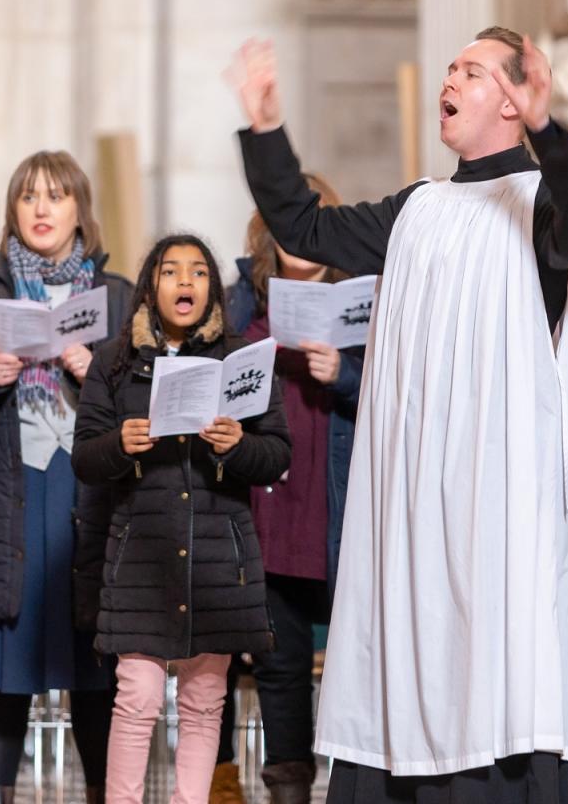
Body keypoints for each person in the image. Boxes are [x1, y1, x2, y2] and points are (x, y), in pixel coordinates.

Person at [231, 27, 568, 800]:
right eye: (450, 67)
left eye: (473, 70)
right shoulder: (417, 208)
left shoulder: (540, 205)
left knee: (495, 649)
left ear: (514, 100)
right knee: (416, 637)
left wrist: (552, 133)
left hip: (505, 491)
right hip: (416, 491)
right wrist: (266, 131)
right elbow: (305, 227)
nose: (449, 79)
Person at [0, 151, 130, 804]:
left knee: (94, 663)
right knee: (3, 666)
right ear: (13, 211)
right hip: (7, 494)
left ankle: (101, 793)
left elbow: (148, 391)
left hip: (86, 489)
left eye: (56, 196)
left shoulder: (116, 295)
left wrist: (93, 369)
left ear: (79, 211)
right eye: (29, 197)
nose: (42, 209)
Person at [70, 233, 291, 804]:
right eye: (171, 271)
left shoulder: (240, 360)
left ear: (212, 288)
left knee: (204, 699)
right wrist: (120, 443)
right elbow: (86, 458)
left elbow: (277, 454)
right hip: (139, 554)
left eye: (197, 271)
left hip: (221, 556)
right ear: (151, 285)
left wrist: (236, 445)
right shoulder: (114, 364)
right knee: (137, 694)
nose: (185, 281)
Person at [235, 184, 368, 804]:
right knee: (280, 667)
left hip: (339, 507)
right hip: (268, 504)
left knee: (353, 666)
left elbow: (404, 392)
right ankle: (287, 785)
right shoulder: (243, 301)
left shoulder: (366, 296)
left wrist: (345, 376)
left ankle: (352, 785)